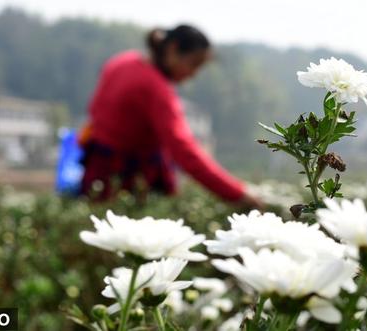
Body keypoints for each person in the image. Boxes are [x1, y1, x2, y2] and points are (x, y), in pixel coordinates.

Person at [80, 24, 261, 208]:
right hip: (126, 184)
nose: (192, 74)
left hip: (96, 171)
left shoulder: (121, 61)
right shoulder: (156, 89)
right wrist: (237, 192)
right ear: (173, 49)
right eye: (193, 64)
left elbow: (94, 110)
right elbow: (184, 151)